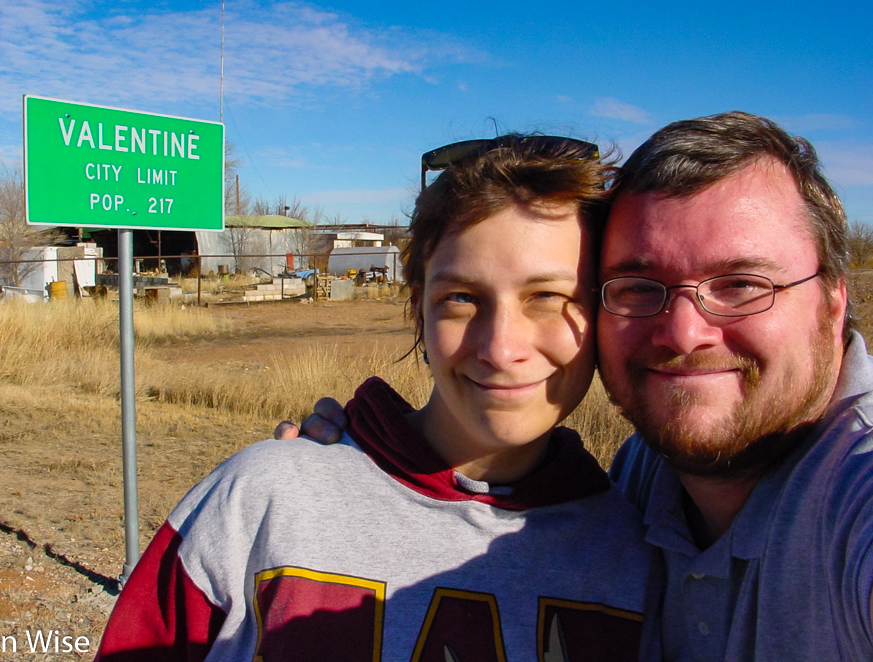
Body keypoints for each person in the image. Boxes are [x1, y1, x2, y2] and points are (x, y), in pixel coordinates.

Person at [285, 111, 873, 661]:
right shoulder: (638, 484)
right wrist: (315, 487)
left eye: (742, 284)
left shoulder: (856, 493)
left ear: (833, 299)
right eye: (639, 286)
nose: (683, 334)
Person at [96, 135, 657, 661]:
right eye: (461, 297)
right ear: (418, 310)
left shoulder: (639, 555)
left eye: (548, 296)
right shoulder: (261, 503)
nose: (501, 348)